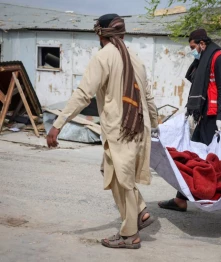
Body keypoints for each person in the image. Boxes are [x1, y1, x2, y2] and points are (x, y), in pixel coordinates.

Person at [46, 14, 159, 249]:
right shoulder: (135, 59)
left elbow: (83, 94)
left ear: (100, 33)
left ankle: (130, 235)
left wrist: (58, 124)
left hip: (122, 129)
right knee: (111, 172)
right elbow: (148, 97)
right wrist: (155, 125)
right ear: (122, 33)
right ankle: (140, 211)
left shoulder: (103, 57)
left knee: (122, 179)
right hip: (138, 126)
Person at [158, 28, 221, 212]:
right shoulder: (205, 60)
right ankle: (180, 199)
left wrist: (219, 118)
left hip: (218, 119)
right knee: (193, 156)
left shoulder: (219, 59)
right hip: (206, 116)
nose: (192, 50)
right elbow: (204, 89)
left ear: (202, 43)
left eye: (193, 46)